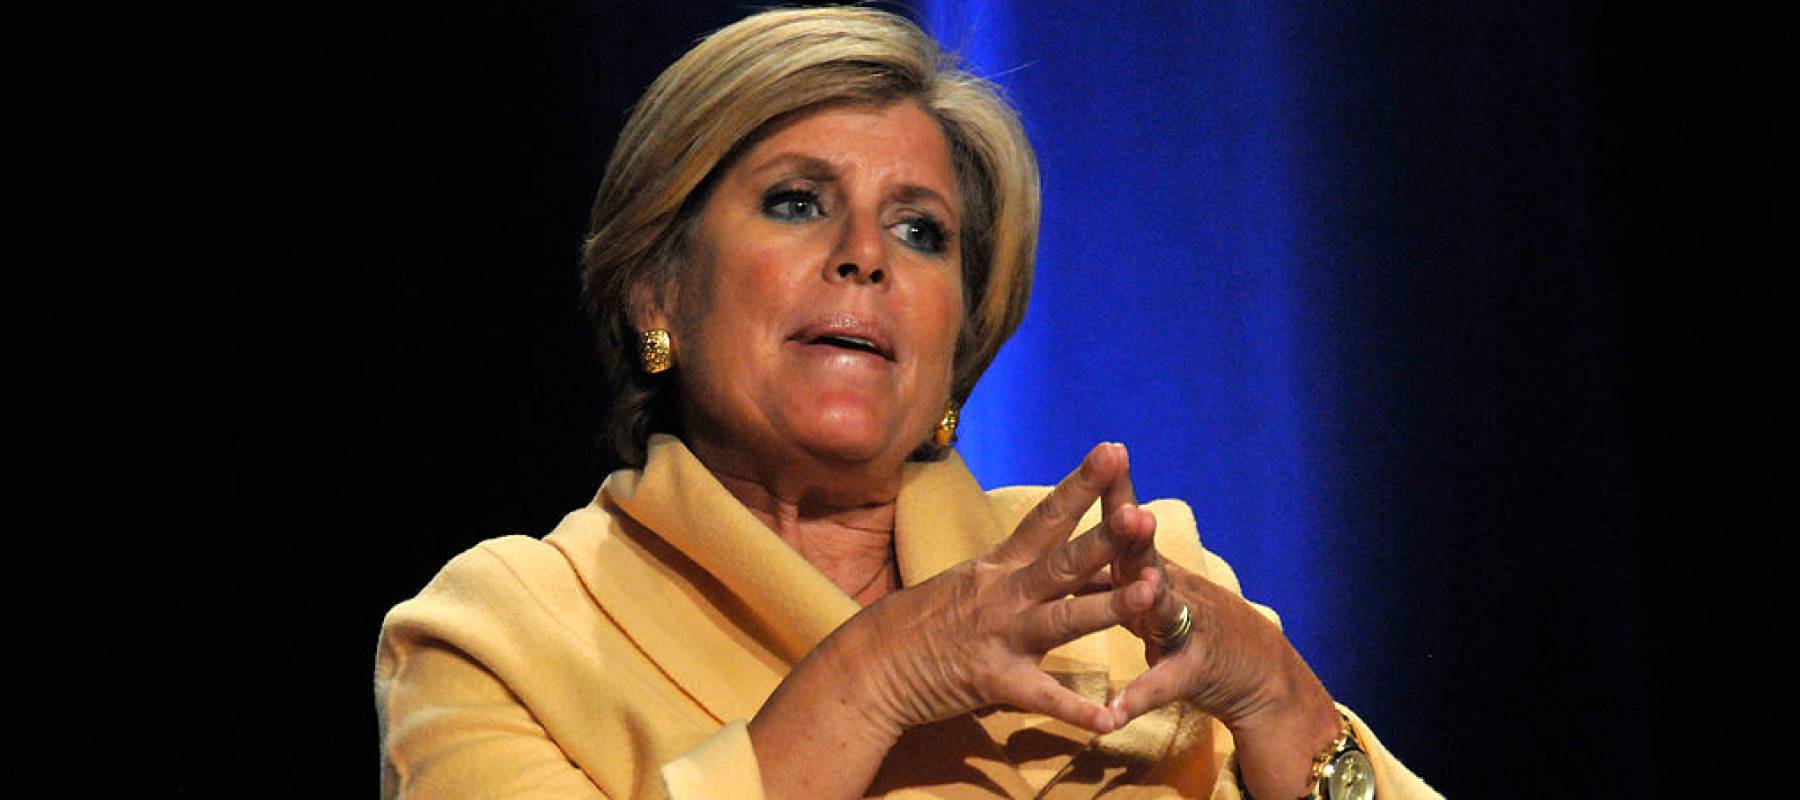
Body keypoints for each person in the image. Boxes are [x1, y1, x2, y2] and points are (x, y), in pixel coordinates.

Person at [375, 8, 1441, 799]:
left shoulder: (1133, 589)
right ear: (658, 287)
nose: (865, 259)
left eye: (919, 229)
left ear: (958, 336)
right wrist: (883, 673)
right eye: (798, 203)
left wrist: (1279, 698)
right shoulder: (498, 633)